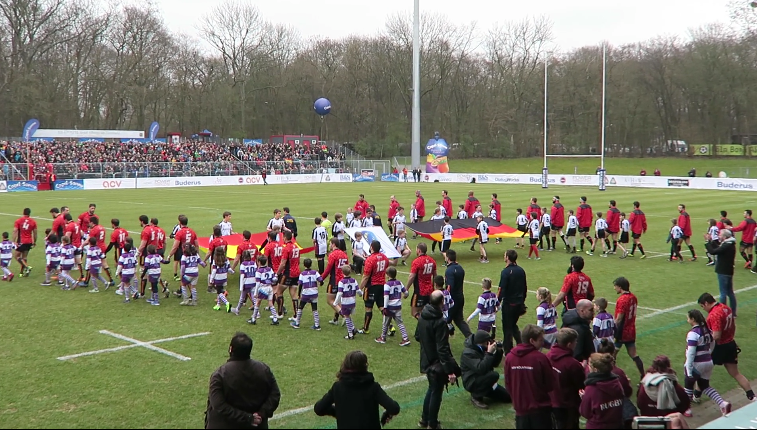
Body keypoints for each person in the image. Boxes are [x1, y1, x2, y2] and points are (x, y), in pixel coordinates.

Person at [205, 332, 280, 429]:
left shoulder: (220, 375)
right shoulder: (264, 369)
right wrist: (261, 414)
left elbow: (219, 405)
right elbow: (275, 395)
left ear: (231, 349)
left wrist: (248, 418)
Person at [314, 350, 400, 429]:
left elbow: (319, 408)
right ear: (365, 366)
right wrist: (388, 413)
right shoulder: (373, 387)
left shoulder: (338, 387)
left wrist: (337, 413)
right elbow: (394, 408)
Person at [416, 290, 460, 430]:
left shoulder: (423, 315)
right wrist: (450, 371)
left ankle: (424, 420)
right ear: (442, 302)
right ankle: (432, 423)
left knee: (432, 389)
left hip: (426, 358)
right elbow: (442, 349)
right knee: (436, 392)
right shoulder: (440, 321)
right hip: (436, 362)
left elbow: (418, 336)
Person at [698, 293, 754, 401]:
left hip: (718, 347)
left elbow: (716, 336)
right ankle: (751, 395)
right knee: (736, 373)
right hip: (730, 344)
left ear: (706, 303)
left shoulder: (714, 315)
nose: (704, 309)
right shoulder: (726, 308)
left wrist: (705, 341)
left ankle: (696, 395)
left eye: (702, 306)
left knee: (702, 373)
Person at [504, 324, 554, 429]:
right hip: (540, 410)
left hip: (520, 410)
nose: (542, 343)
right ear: (532, 341)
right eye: (540, 340)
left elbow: (508, 383)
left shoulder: (510, 357)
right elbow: (550, 384)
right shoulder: (540, 358)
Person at [683, 309, 730, 417]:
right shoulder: (707, 330)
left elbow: (691, 352)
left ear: (693, 319)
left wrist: (689, 367)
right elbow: (713, 343)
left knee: (688, 386)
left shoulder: (693, 334)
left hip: (697, 363)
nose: (687, 320)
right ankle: (722, 403)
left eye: (688, 318)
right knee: (704, 385)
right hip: (708, 361)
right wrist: (708, 353)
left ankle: (687, 409)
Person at [461, 330, 511, 409]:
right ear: (481, 343)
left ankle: (486, 390)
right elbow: (481, 368)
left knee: (508, 397)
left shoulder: (483, 348)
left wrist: (498, 351)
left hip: (485, 379)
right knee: (494, 375)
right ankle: (476, 396)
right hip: (472, 381)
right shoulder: (468, 353)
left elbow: (494, 364)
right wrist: (489, 353)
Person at [548, 328, 585, 429]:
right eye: (575, 341)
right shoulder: (572, 364)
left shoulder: (548, 356)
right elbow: (581, 384)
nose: (576, 343)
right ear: (569, 344)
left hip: (551, 401)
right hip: (567, 405)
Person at [637, 356, 691, 425]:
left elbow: (639, 404)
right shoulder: (675, 387)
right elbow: (685, 404)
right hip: (668, 424)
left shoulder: (644, 384)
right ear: (668, 366)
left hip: (647, 424)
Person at [580, 353, 626, 429]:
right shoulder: (617, 383)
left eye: (589, 365)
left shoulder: (591, 389)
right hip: (616, 425)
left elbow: (585, 412)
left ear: (595, 369)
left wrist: (585, 398)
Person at [613, 277, 644, 378]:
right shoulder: (633, 297)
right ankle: (642, 375)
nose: (614, 288)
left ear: (620, 287)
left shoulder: (622, 299)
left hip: (622, 331)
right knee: (634, 354)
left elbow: (619, 318)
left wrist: (613, 329)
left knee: (611, 355)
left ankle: (612, 376)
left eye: (615, 286)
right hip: (631, 330)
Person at [497, 249, 527, 354]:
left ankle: (508, 351)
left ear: (508, 258)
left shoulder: (505, 272)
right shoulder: (521, 270)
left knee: (507, 328)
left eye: (505, 255)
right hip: (519, 303)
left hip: (509, 303)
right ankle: (520, 344)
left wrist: (498, 302)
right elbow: (525, 287)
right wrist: (523, 301)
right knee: (513, 324)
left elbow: (502, 289)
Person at [705, 229, 738, 316]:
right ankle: (733, 312)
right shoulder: (730, 244)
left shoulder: (727, 245)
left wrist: (707, 242)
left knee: (723, 293)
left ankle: (723, 313)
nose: (719, 236)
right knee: (730, 292)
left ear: (725, 237)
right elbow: (719, 248)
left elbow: (713, 251)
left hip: (723, 271)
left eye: (720, 235)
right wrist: (711, 241)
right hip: (729, 270)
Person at [444, 249, 472, 338]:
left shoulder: (449, 270)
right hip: (460, 297)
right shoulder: (460, 268)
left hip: (452, 299)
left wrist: (445, 297)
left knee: (446, 320)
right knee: (459, 320)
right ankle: (470, 337)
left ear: (448, 258)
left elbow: (449, 287)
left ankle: (443, 343)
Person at [13, 207, 37, 277]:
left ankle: (27, 267)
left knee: (16, 256)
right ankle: (22, 272)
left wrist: (13, 241)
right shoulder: (33, 222)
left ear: (23, 213)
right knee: (24, 257)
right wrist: (34, 241)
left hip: (21, 241)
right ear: (29, 213)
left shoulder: (18, 221)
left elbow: (15, 231)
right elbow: (35, 233)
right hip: (29, 241)